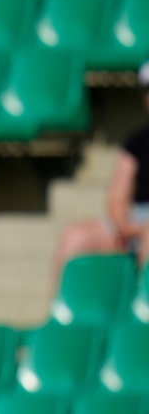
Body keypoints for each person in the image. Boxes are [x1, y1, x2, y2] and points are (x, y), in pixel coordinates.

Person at [53, 60, 149, 279]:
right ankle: (58, 310)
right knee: (74, 237)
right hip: (140, 218)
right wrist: (123, 225)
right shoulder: (137, 143)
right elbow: (117, 196)